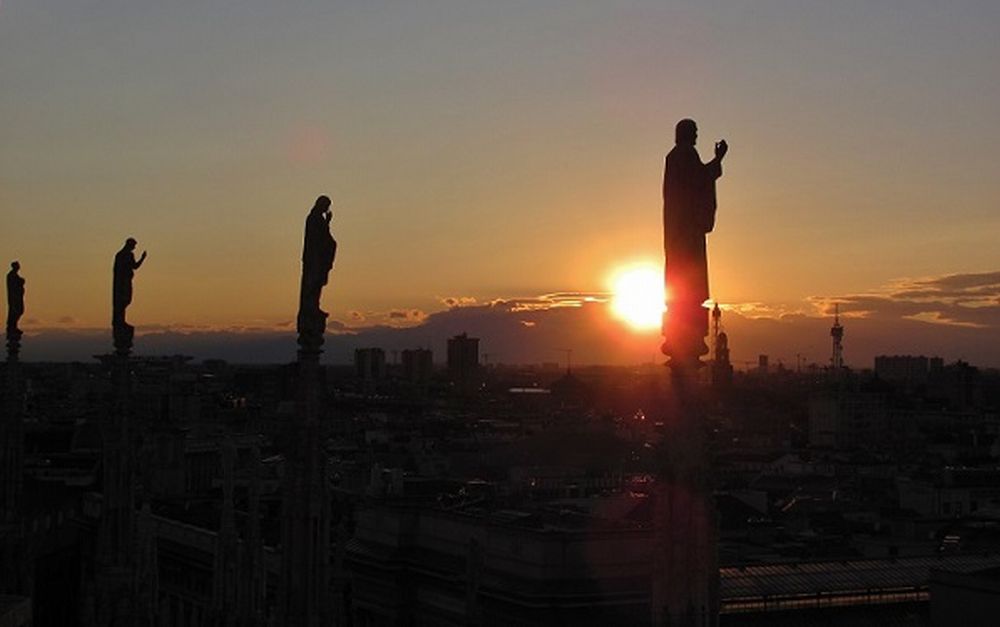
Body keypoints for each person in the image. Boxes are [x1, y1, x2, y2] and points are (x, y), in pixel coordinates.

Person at [662, 118, 727, 366]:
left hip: (680, 232)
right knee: (688, 278)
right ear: (687, 134)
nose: (698, 136)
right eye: (696, 132)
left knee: (682, 280)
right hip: (686, 232)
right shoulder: (685, 154)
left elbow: (697, 180)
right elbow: (700, 180)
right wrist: (719, 159)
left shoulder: (676, 156)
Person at [299, 195, 337, 319]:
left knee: (317, 283)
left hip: (317, 258)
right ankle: (311, 306)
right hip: (314, 258)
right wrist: (327, 223)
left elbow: (325, 238)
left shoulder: (316, 218)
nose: (327, 208)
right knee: (313, 283)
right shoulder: (314, 218)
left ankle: (314, 306)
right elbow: (320, 237)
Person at [112, 238, 147, 329]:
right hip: (122, 282)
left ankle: (120, 320)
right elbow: (134, 266)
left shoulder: (123, 255)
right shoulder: (123, 255)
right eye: (134, 246)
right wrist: (142, 258)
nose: (134, 248)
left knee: (125, 300)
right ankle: (119, 320)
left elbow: (133, 266)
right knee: (122, 300)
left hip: (125, 281)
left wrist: (142, 258)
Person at [6, 261, 25, 336]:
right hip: (14, 298)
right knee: (15, 311)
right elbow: (14, 285)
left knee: (19, 311)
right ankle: (12, 326)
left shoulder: (14, 275)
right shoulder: (11, 275)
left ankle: (14, 326)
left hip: (18, 297)